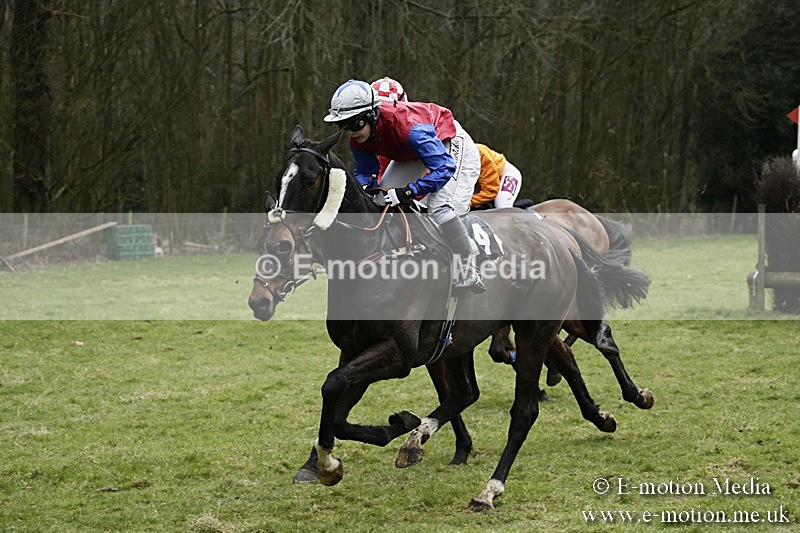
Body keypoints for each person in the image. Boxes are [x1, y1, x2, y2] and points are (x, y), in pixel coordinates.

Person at [323, 79, 485, 294]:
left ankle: (468, 265)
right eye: (344, 126)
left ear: (372, 115)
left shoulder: (411, 128)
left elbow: (444, 169)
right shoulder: (359, 137)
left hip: (448, 144)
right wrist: (367, 188)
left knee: (440, 206)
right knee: (380, 203)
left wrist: (408, 192)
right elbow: (365, 173)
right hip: (410, 152)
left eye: (355, 124)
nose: (351, 133)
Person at [370, 77, 522, 210]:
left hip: (504, 177)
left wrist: (467, 203)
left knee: (502, 206)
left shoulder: (479, 152)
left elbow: (491, 189)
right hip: (470, 185)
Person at [471, 144, 522, 209]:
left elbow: (490, 190)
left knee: (501, 205)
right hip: (483, 183)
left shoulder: (479, 151)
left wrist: (469, 203)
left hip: (506, 175)